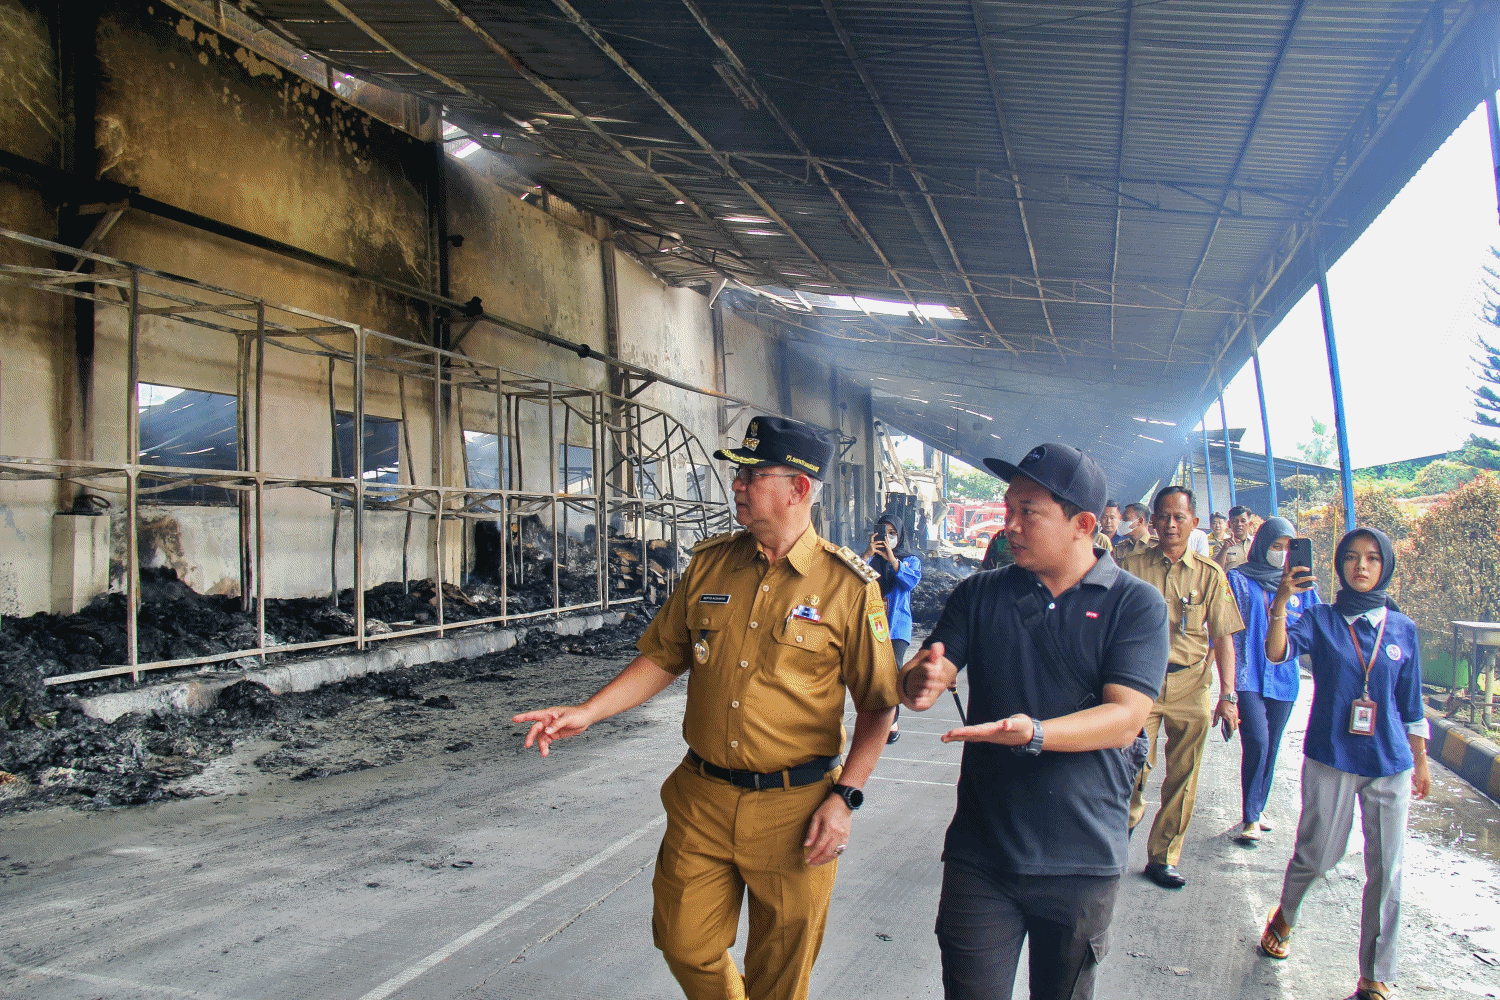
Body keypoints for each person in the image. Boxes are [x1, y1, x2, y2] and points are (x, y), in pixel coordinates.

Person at [513, 415, 899, 1000]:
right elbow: (665, 657)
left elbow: (877, 706)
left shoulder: (848, 586)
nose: (737, 485)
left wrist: (845, 798)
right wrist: (588, 712)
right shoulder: (712, 563)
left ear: (799, 488)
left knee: (780, 971)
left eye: (753, 474)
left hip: (796, 808)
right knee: (684, 942)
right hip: (703, 796)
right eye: (738, 473)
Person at [900, 442, 1169, 1000]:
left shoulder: (1135, 605)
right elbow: (927, 678)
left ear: (1084, 524)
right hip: (983, 854)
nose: (1011, 525)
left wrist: (1036, 733)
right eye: (1008, 510)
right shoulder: (981, 593)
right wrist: (920, 679)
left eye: (1029, 512)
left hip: (1082, 857)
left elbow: (1125, 718)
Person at [1258, 528, 1430, 1000]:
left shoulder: (1403, 629)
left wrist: (1420, 761)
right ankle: (1286, 914)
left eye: (1372, 558)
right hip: (1332, 755)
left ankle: (1373, 975)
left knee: (1387, 869)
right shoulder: (1320, 618)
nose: (1362, 566)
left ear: (1385, 567)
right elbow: (1276, 653)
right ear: (1338, 565)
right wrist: (1281, 601)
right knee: (1318, 856)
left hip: (1389, 761)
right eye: (1352, 558)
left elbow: (1411, 704)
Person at [1121, 486, 1244, 889]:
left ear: (1193, 523)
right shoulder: (1131, 565)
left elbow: (1224, 636)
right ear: (1152, 521)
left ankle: (1163, 858)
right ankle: (1114, 840)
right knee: (1132, 767)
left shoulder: (1210, 574)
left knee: (1184, 776)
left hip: (1191, 683)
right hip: (1141, 683)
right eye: (1164, 516)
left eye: (1180, 517)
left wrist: (1228, 696)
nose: (1171, 524)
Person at [1226, 517, 1321, 842]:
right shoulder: (1238, 580)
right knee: (1258, 741)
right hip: (1247, 674)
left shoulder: (1304, 587)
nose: (1281, 554)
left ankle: (1258, 806)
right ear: (1262, 545)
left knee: (1273, 746)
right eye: (1276, 546)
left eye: (1287, 548)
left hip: (1284, 678)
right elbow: (1225, 629)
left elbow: (1317, 625)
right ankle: (1251, 816)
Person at [864, 514, 922, 743]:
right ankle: (877, 719)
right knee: (872, 674)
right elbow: (852, 578)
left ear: (900, 536)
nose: (887, 537)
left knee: (893, 672)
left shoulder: (910, 560)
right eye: (883, 531)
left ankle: (892, 719)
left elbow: (910, 582)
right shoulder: (868, 559)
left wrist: (892, 560)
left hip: (897, 626)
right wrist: (868, 554)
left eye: (893, 533)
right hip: (871, 624)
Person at [1216, 504, 1253, 571]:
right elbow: (1216, 569)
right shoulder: (1221, 545)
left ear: (1250, 524)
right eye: (1235, 521)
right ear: (1229, 524)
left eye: (1243, 521)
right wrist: (1225, 549)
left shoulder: (1256, 544)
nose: (1239, 524)